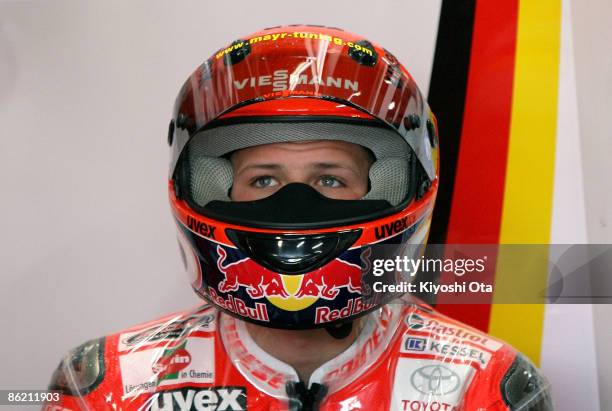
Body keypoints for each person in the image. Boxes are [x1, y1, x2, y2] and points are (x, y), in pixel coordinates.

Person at [46, 25, 552, 411]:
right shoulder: (108, 384)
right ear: (211, 188)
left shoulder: (485, 386)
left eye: (329, 180)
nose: (293, 206)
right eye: (263, 180)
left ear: (396, 189)